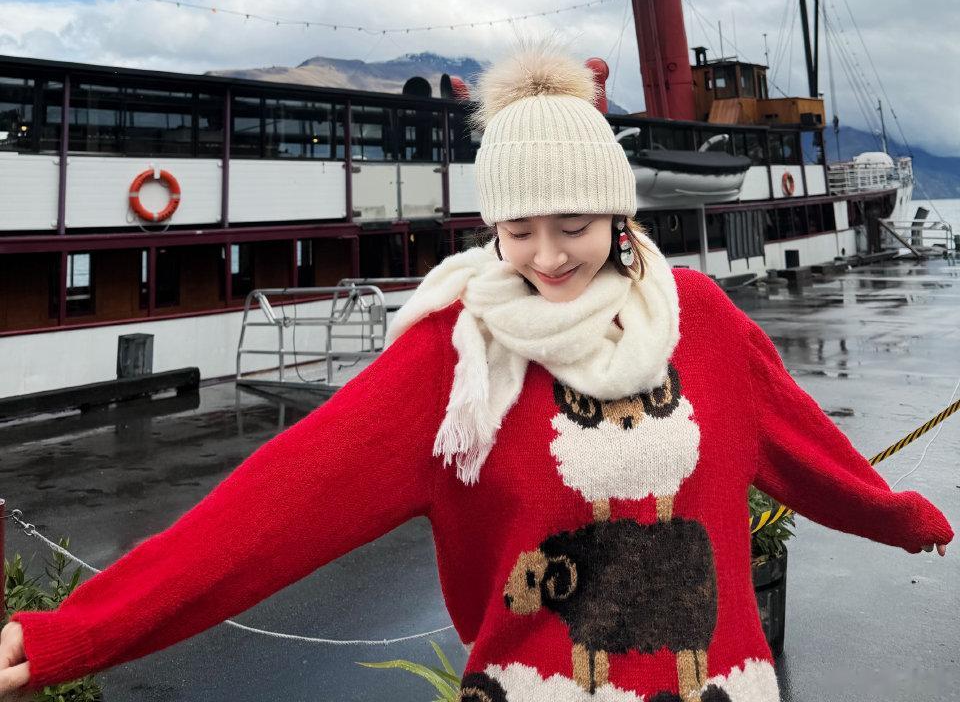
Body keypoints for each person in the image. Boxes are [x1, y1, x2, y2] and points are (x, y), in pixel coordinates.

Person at [0, 40, 952, 702]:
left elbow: (802, 446)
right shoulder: (455, 359)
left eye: (573, 225)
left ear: (621, 215)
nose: (547, 257)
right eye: (517, 230)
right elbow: (266, 516)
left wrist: (900, 518)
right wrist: (72, 635)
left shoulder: (698, 320)